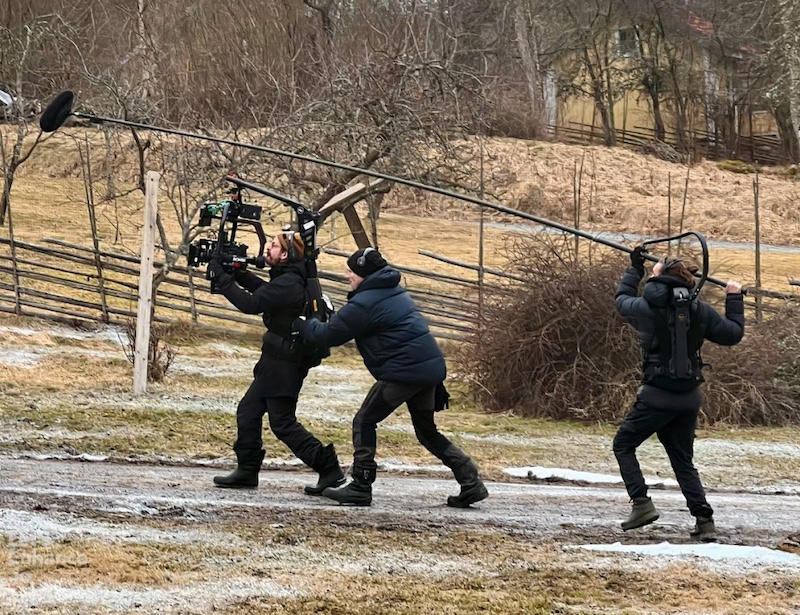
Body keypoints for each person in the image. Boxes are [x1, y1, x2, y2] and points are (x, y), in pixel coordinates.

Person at [293, 247, 489, 508]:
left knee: (364, 421)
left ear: (365, 274)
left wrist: (303, 323)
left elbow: (327, 335)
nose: (348, 275)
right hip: (427, 369)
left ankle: (361, 485)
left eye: (352, 271)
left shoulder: (366, 302)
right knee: (427, 431)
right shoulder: (392, 291)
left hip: (403, 373)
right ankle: (470, 480)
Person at [613, 248, 745, 541]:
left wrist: (635, 270)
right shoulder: (699, 310)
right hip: (688, 397)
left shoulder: (645, 308)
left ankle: (641, 504)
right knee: (682, 460)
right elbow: (733, 333)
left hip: (656, 396)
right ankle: (704, 520)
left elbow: (621, 299)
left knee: (623, 444)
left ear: (658, 276)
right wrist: (734, 297)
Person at [207, 231, 345, 494]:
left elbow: (251, 303)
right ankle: (247, 470)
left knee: (282, 423)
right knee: (248, 411)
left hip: (285, 365)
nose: (268, 249)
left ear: (285, 254)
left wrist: (222, 279)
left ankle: (329, 468)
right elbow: (265, 293)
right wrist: (239, 274)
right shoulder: (288, 279)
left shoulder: (289, 283)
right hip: (276, 362)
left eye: (273, 246)